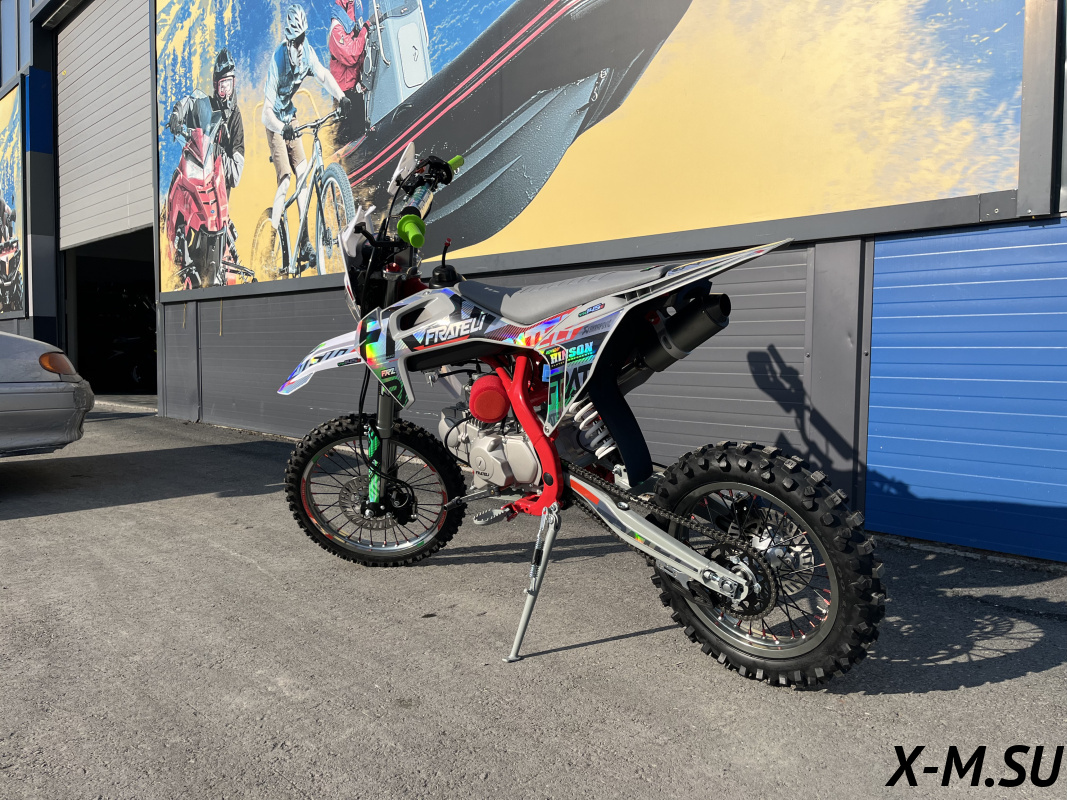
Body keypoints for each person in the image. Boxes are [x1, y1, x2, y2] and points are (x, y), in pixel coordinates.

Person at [263, 4, 351, 233]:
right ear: (288, 42)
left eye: (303, 38)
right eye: (297, 41)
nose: (301, 46)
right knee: (286, 181)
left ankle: (304, 240)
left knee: (303, 174)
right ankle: (271, 234)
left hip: (289, 117)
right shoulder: (278, 61)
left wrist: (341, 97)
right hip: (275, 123)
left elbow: (323, 75)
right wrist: (281, 127)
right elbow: (266, 113)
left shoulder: (307, 53)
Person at [167, 48, 246, 192]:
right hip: (195, 177)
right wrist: (176, 115)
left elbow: (236, 174)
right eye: (222, 86)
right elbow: (188, 104)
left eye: (228, 85)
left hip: (218, 190)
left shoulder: (235, 118)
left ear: (233, 83)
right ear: (216, 85)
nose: (225, 93)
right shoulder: (206, 105)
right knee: (177, 177)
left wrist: (214, 150)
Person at [328, 0, 370, 142]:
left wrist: (362, 80)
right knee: (344, 139)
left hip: (354, 90)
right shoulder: (336, 29)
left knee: (359, 133)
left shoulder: (351, 24)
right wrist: (365, 29)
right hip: (343, 94)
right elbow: (351, 55)